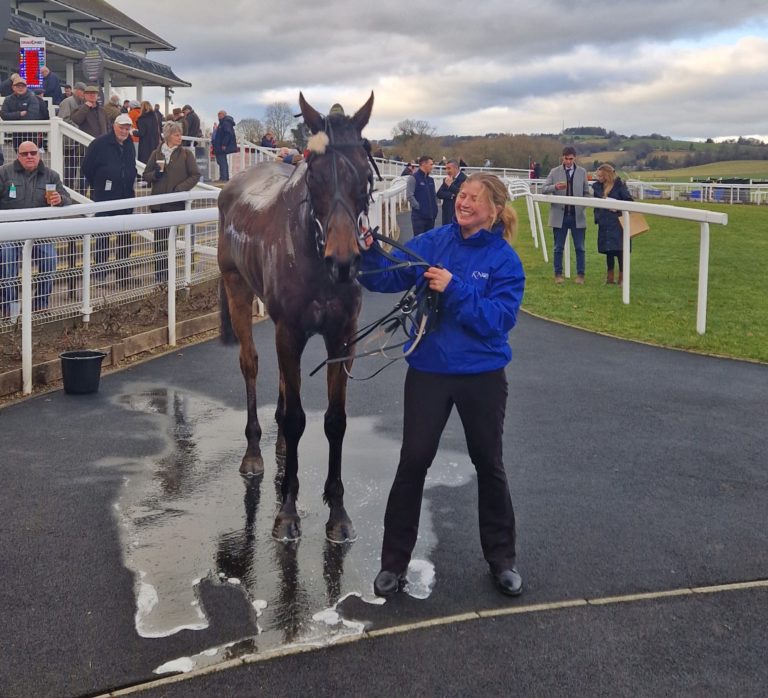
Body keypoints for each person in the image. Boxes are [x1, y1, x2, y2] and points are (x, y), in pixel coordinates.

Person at [359, 173, 526, 599]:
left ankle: (502, 560)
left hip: (483, 376)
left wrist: (454, 289)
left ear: (492, 211)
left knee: (489, 463)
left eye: (473, 199)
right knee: (413, 462)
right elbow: (387, 277)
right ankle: (392, 563)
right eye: (461, 195)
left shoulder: (505, 260)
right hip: (430, 372)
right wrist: (368, 250)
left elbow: (497, 322)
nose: (463, 202)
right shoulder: (434, 241)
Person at [0, 141, 71, 316]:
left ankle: (40, 304)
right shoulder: (4, 173)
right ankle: (10, 307)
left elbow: (67, 199)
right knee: (7, 261)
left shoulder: (51, 175)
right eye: (25, 154)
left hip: (40, 230)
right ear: (18, 156)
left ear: (39, 154)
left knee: (50, 260)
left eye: (33, 153)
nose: (29, 156)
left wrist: (59, 199)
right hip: (10, 230)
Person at [81, 114, 137, 288]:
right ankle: (100, 273)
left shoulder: (129, 144)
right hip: (104, 197)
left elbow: (130, 165)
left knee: (125, 236)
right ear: (114, 126)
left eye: (127, 128)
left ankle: (122, 273)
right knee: (103, 235)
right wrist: (99, 184)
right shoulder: (99, 143)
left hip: (126, 195)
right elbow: (87, 167)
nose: (124, 131)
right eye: (122, 127)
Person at [142, 121, 201, 282]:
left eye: (180, 134)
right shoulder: (156, 153)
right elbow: (145, 175)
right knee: (159, 241)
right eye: (176, 134)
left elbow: (195, 175)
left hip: (175, 204)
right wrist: (155, 175)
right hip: (158, 204)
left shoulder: (186, 154)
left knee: (171, 240)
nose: (179, 137)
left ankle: (169, 274)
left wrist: (180, 189)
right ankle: (159, 275)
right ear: (168, 135)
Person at [541, 146, 591, 284]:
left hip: (577, 216)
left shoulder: (582, 172)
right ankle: (558, 274)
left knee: (580, 247)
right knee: (558, 247)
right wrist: (555, 187)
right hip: (560, 216)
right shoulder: (554, 171)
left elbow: (587, 192)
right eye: (566, 158)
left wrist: (582, 206)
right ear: (562, 157)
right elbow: (543, 189)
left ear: (574, 158)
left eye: (571, 159)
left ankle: (581, 275)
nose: (568, 161)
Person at [592, 164, 633, 285]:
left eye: (600, 175)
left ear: (606, 175)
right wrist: (598, 217)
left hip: (618, 223)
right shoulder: (597, 187)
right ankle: (610, 277)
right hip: (605, 223)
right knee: (608, 251)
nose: (598, 178)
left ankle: (622, 277)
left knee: (620, 251)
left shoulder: (620, 186)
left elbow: (629, 202)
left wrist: (618, 209)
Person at [1, 76, 49, 151]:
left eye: (23, 86)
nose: (20, 88)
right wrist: (19, 114)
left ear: (26, 87)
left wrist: (12, 116)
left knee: (31, 155)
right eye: (18, 86)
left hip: (31, 133)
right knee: (19, 153)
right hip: (16, 133)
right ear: (13, 87)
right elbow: (4, 115)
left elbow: (32, 116)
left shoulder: (33, 98)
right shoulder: (8, 99)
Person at [406, 155, 438, 235]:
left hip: (431, 218)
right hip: (419, 218)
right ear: (424, 164)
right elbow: (409, 195)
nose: (432, 167)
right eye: (431, 164)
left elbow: (434, 196)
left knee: (429, 242)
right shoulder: (413, 178)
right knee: (419, 242)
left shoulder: (431, 180)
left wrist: (435, 209)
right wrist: (419, 207)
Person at [436, 158, 467, 225]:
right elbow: (439, 194)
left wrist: (450, 186)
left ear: (456, 168)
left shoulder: (464, 179)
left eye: (449, 168)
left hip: (457, 213)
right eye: (446, 168)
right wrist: (451, 195)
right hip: (446, 212)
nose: (447, 171)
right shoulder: (447, 179)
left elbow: (461, 194)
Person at [211, 110, 238, 182]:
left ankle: (224, 178)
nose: (218, 116)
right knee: (222, 162)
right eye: (218, 114)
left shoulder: (225, 122)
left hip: (221, 146)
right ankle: (224, 178)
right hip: (219, 145)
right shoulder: (223, 123)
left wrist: (224, 144)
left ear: (224, 115)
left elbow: (228, 134)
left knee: (222, 162)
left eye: (220, 114)